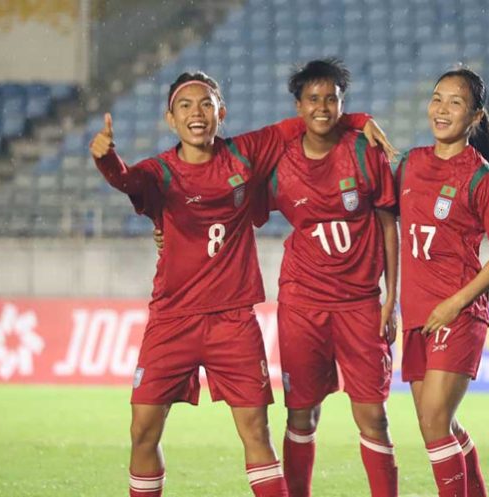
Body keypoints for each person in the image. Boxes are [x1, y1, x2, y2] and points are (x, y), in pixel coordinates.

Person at [89, 71, 385, 497]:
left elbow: (311, 119)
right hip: (173, 319)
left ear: (221, 113)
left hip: (234, 321)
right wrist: (107, 160)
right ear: (171, 119)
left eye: (206, 104)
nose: (196, 113)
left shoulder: (246, 154)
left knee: (257, 433)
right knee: (142, 431)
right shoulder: (161, 172)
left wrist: (358, 119)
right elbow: (127, 180)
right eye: (185, 106)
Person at [271, 59, 399, 497]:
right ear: (298, 106)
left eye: (331, 99)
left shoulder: (365, 151)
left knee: (374, 417)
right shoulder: (281, 162)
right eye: (313, 99)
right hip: (302, 304)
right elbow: (232, 206)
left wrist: (391, 298)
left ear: (343, 104)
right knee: (300, 414)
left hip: (360, 304)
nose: (322, 107)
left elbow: (388, 224)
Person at [395, 67, 489, 497]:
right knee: (437, 423)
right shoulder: (410, 164)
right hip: (416, 314)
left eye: (455, 102)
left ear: (476, 116)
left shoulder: (481, 178)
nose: (442, 109)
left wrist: (455, 303)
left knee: (434, 422)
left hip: (457, 315)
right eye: (437, 98)